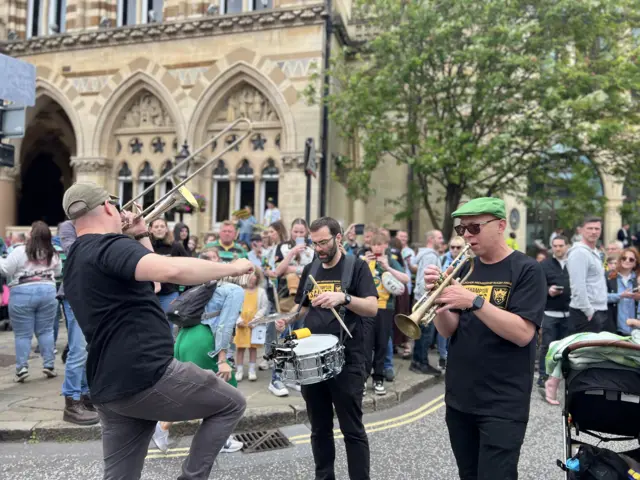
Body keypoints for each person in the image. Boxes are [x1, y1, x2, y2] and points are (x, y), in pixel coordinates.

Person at [61, 182, 253, 479]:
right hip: (147, 373)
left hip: (107, 385)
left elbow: (152, 286)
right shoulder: (109, 246)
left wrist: (140, 233)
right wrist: (232, 267)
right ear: (108, 207)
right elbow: (170, 271)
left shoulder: (75, 257)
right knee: (231, 403)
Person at [423, 197, 546, 480]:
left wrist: (474, 301)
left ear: (500, 225)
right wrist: (437, 302)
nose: (466, 235)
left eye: (474, 227)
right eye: (461, 229)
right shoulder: (465, 269)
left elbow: (523, 333)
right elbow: (448, 330)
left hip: (502, 402)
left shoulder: (526, 270)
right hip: (460, 398)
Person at [275, 216, 378, 480]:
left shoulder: (356, 267)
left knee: (352, 429)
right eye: (314, 243)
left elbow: (371, 307)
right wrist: (287, 319)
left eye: (323, 242)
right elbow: (303, 309)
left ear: (338, 238)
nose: (318, 248)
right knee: (319, 429)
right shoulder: (312, 268)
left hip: (347, 358)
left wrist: (344, 297)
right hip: (312, 360)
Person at [0, 221, 62, 383]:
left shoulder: (20, 251)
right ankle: (49, 365)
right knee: (46, 330)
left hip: (22, 292)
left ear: (31, 234)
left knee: (22, 334)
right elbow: (58, 271)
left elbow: (6, 269)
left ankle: (22, 368)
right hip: (48, 291)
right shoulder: (52, 253)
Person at [537, 235, 571, 391]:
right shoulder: (545, 265)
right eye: (555, 246)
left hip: (570, 313)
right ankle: (544, 376)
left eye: (561, 245)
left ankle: (563, 376)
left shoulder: (574, 264)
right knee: (547, 347)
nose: (558, 248)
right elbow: (538, 286)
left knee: (567, 347)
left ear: (567, 246)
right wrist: (548, 290)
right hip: (550, 313)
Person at [566, 217, 608, 334]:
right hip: (585, 313)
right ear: (581, 230)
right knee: (586, 352)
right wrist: (589, 311)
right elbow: (577, 285)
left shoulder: (595, 252)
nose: (594, 232)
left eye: (597, 228)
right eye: (590, 228)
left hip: (599, 310)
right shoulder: (579, 252)